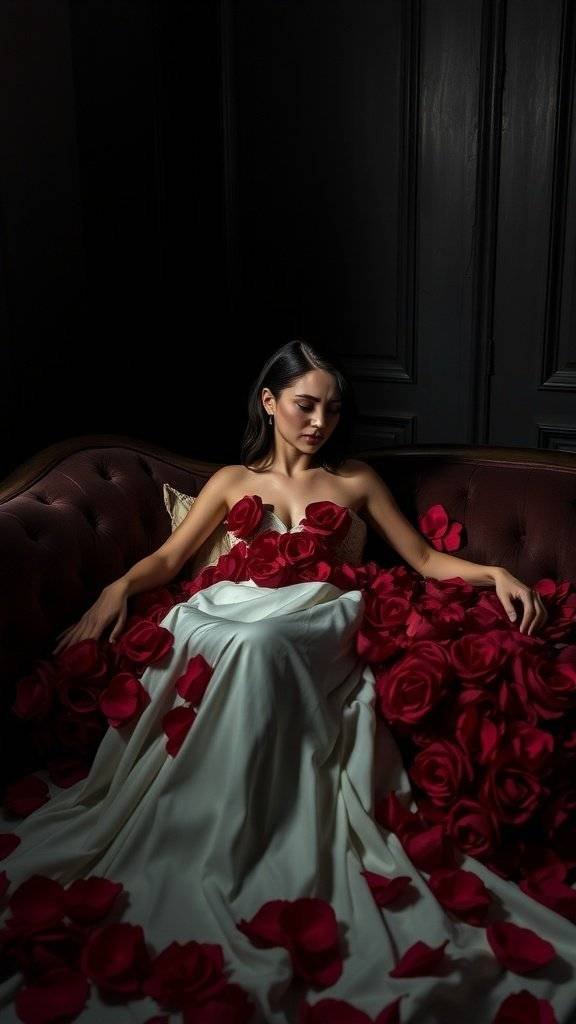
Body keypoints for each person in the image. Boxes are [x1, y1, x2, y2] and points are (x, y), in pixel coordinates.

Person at [0, 339, 574, 1024]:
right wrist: (115, 590)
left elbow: (424, 559)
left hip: (318, 614)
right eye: (305, 405)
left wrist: (495, 574)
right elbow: (172, 558)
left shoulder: (354, 479)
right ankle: (213, 816)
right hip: (230, 607)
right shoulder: (230, 482)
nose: (319, 423)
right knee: (225, 632)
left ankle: (264, 822)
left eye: (332, 410)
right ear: (270, 403)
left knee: (262, 640)